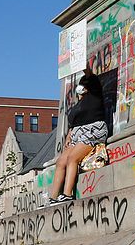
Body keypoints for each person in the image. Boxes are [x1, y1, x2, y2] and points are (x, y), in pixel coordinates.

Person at [47, 69, 107, 204]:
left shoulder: (95, 95)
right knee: (61, 161)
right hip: (77, 133)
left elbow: (90, 74)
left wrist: (79, 63)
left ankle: (67, 194)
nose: (82, 86)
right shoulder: (78, 104)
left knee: (72, 158)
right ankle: (53, 197)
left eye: (84, 84)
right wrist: (69, 136)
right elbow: (72, 123)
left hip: (93, 129)